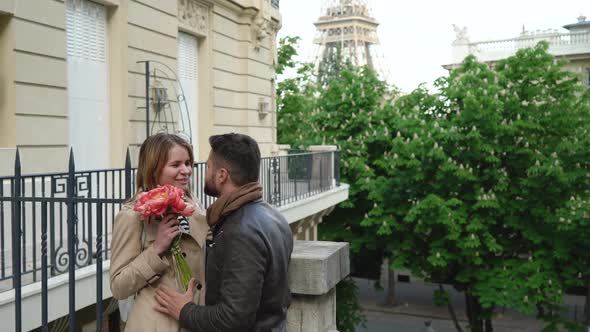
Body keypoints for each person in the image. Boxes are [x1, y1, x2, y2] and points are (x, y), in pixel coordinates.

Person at [154, 133, 294, 331]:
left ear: (221, 175)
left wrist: (185, 310)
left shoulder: (240, 231)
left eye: (208, 167)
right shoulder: (274, 217)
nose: (200, 172)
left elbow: (233, 319)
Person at [110, 133, 208, 332]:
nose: (186, 170)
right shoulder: (132, 216)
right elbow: (118, 286)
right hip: (154, 324)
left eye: (188, 163)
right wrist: (156, 249)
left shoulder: (193, 206)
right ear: (154, 170)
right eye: (176, 164)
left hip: (195, 319)